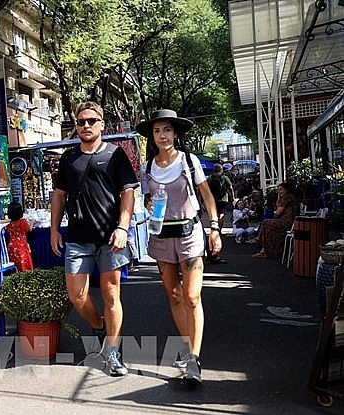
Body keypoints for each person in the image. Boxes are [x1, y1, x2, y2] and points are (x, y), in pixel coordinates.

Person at [50, 101, 137, 377]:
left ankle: (112, 351)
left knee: (112, 294)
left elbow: (128, 192)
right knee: (76, 295)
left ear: (101, 124)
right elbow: (59, 195)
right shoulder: (68, 158)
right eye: (80, 122)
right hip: (77, 237)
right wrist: (54, 228)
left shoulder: (116, 155)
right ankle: (100, 326)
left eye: (91, 121)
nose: (86, 125)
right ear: (75, 126)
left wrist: (123, 227)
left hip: (110, 237)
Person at [137, 109, 222, 384]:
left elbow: (207, 196)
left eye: (167, 130)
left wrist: (215, 228)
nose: (162, 135)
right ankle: (187, 349)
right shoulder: (146, 167)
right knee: (174, 295)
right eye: (157, 131)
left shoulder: (189, 161)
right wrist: (149, 204)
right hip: (161, 236)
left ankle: (194, 359)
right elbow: (146, 199)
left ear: (175, 133)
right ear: (153, 136)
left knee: (192, 296)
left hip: (190, 233)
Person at [251, 181, 299, 258]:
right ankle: (262, 248)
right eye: (278, 190)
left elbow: (278, 213)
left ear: (286, 190)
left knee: (266, 223)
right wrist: (278, 199)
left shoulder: (287, 198)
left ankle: (263, 248)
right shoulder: (290, 197)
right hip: (290, 222)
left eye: (281, 190)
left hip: (286, 222)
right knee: (266, 223)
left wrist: (278, 200)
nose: (279, 192)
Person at [6, 201, 35, 272]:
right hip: (21, 246)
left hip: (12, 245)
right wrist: (32, 222)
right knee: (24, 264)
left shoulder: (9, 224)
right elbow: (29, 229)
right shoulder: (22, 222)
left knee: (14, 264)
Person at [207, 163, 235, 230]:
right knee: (221, 215)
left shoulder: (210, 178)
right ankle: (220, 229)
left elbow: (206, 190)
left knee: (214, 215)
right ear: (221, 170)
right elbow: (230, 188)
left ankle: (214, 228)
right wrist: (233, 197)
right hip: (223, 199)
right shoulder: (225, 177)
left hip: (213, 199)